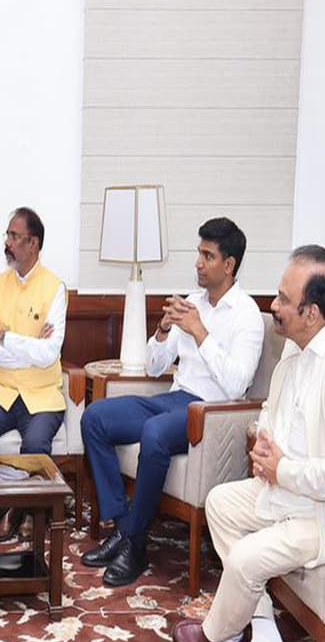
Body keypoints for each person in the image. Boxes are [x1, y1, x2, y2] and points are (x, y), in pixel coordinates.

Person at [171, 245, 325, 642]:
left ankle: (216, 633)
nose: (272, 306)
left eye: (284, 301)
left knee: (244, 558)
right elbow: (275, 409)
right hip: (287, 492)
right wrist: (262, 437)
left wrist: (285, 469)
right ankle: (264, 633)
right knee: (219, 503)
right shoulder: (297, 343)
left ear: (312, 312)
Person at [80, 217, 265, 586]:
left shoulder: (247, 316)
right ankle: (125, 528)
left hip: (209, 412)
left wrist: (199, 332)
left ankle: (134, 546)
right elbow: (154, 365)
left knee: (154, 432)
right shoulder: (193, 302)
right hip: (173, 399)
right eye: (198, 253)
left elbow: (235, 386)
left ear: (228, 265)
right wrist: (163, 331)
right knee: (95, 418)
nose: (198, 262)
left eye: (207, 255)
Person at [0, 207, 68, 543]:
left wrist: (10, 339)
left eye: (14, 236)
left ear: (33, 243)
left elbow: (50, 353)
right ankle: (12, 508)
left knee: (36, 444)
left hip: (42, 393)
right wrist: (29, 347)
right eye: (7, 235)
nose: (7, 243)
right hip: (5, 388)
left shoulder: (55, 288)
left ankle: (19, 515)